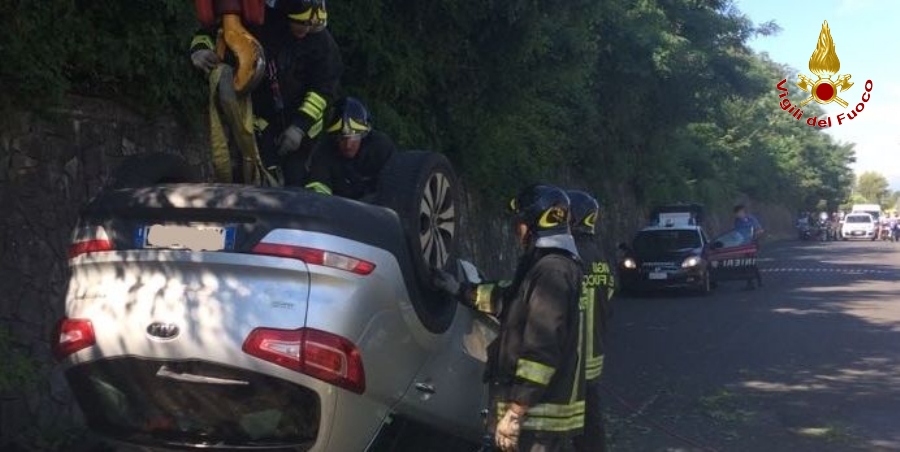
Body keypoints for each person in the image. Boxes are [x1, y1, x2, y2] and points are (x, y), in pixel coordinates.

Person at [433, 184, 586, 452]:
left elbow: (542, 347)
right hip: (532, 416)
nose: (518, 232)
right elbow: (508, 300)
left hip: (535, 421)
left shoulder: (553, 271)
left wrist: (516, 412)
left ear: (535, 224)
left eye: (520, 224)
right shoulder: (544, 266)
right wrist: (459, 290)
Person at [190, 0, 343, 186]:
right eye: (302, 23)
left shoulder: (324, 46)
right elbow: (219, 32)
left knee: (296, 178)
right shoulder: (265, 25)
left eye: (313, 26)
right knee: (260, 175)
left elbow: (323, 92)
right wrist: (199, 50)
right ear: (286, 16)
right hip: (264, 120)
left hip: (304, 129)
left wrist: (299, 128)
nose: (306, 29)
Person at [567, 190, 614, 452]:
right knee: (591, 429)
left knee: (560, 431)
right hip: (592, 360)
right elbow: (607, 299)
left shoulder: (569, 256)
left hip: (569, 360)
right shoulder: (598, 256)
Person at [303, 97, 397, 198]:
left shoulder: (381, 148)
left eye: (354, 137)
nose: (348, 145)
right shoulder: (324, 151)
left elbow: (395, 187)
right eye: (342, 138)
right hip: (336, 210)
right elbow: (318, 188)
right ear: (334, 137)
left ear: (364, 134)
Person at [733, 204, 764, 289]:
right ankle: (751, 282)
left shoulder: (751, 219)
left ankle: (756, 281)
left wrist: (753, 237)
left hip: (751, 244)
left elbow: (760, 230)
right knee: (746, 263)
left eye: (738, 213)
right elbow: (736, 233)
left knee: (750, 262)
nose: (737, 215)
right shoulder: (737, 221)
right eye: (736, 214)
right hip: (742, 245)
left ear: (742, 211)